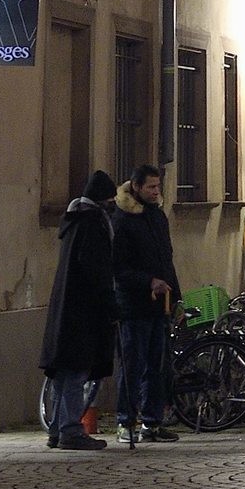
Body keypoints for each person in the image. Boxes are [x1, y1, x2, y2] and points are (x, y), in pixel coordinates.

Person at [39, 169, 117, 451]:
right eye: (110, 198)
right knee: (75, 371)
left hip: (67, 307)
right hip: (82, 311)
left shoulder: (74, 222)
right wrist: (110, 303)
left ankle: (58, 429)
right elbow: (96, 270)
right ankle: (70, 429)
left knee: (64, 373)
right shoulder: (92, 224)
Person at [110, 165, 181, 442]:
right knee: (132, 364)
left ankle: (152, 422)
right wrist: (148, 281)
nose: (156, 191)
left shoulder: (158, 217)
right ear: (136, 187)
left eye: (157, 186)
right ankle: (125, 421)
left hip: (159, 306)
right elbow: (119, 267)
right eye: (150, 187)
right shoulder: (123, 220)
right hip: (134, 306)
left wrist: (177, 297)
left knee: (157, 365)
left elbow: (167, 260)